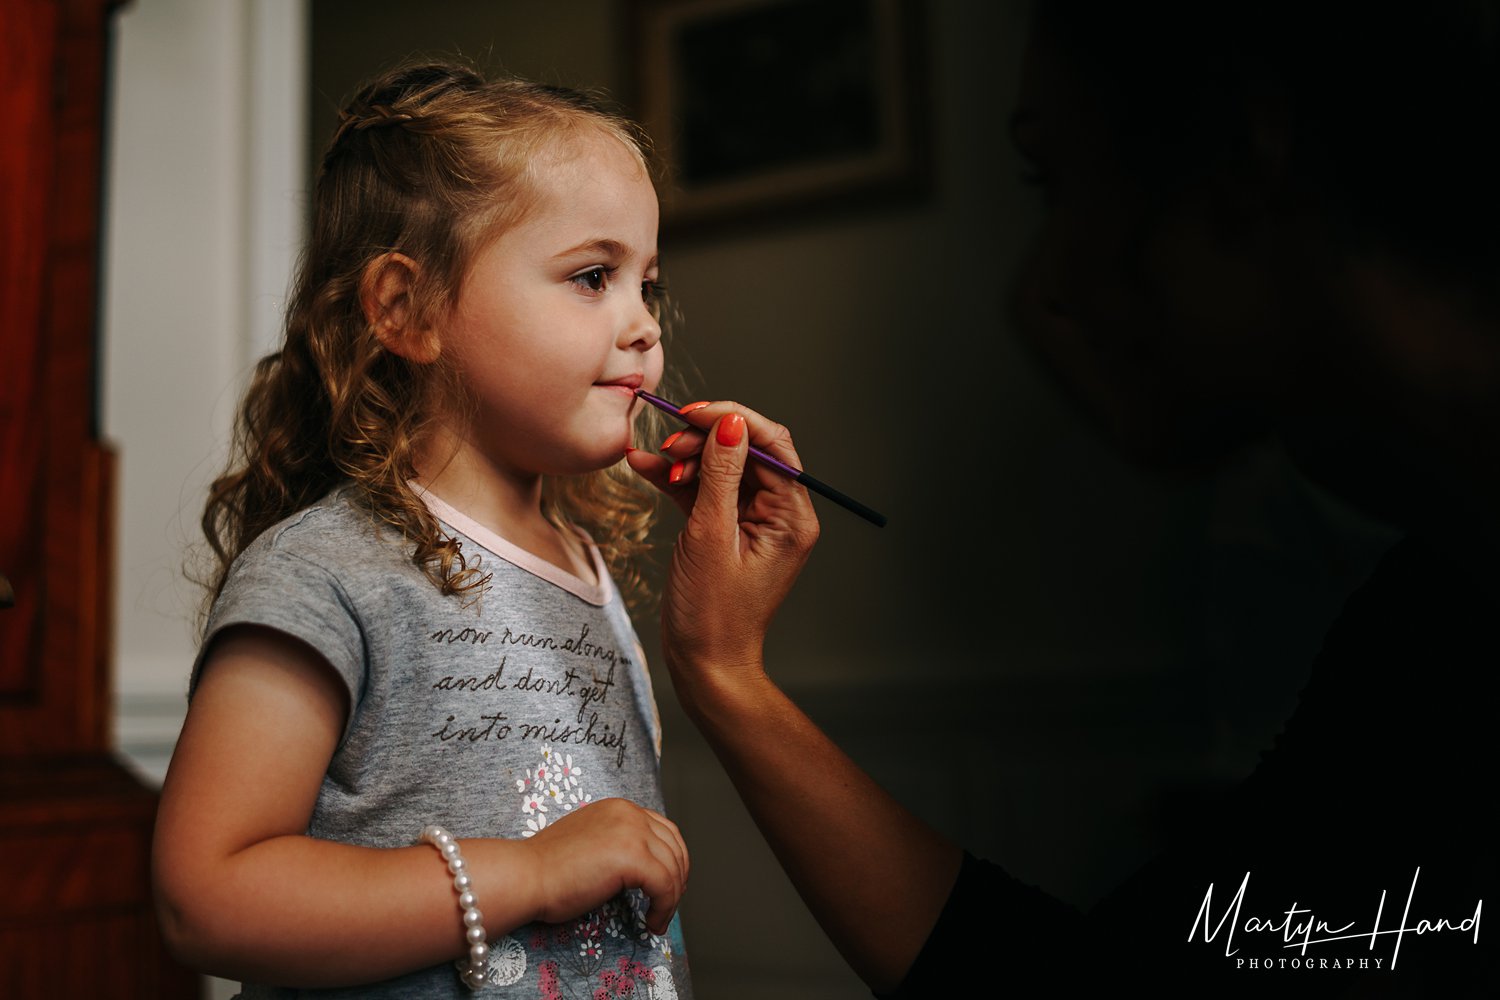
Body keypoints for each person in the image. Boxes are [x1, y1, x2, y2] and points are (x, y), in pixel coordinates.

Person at [630, 1, 1497, 996]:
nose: (1037, 292)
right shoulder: (1435, 612)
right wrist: (722, 668)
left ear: (1255, 155)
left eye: (1054, 182)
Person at [153, 63, 692, 999]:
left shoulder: (589, 570)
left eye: (647, 282)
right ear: (407, 308)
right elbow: (207, 895)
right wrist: (531, 873)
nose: (644, 325)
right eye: (594, 276)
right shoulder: (322, 571)